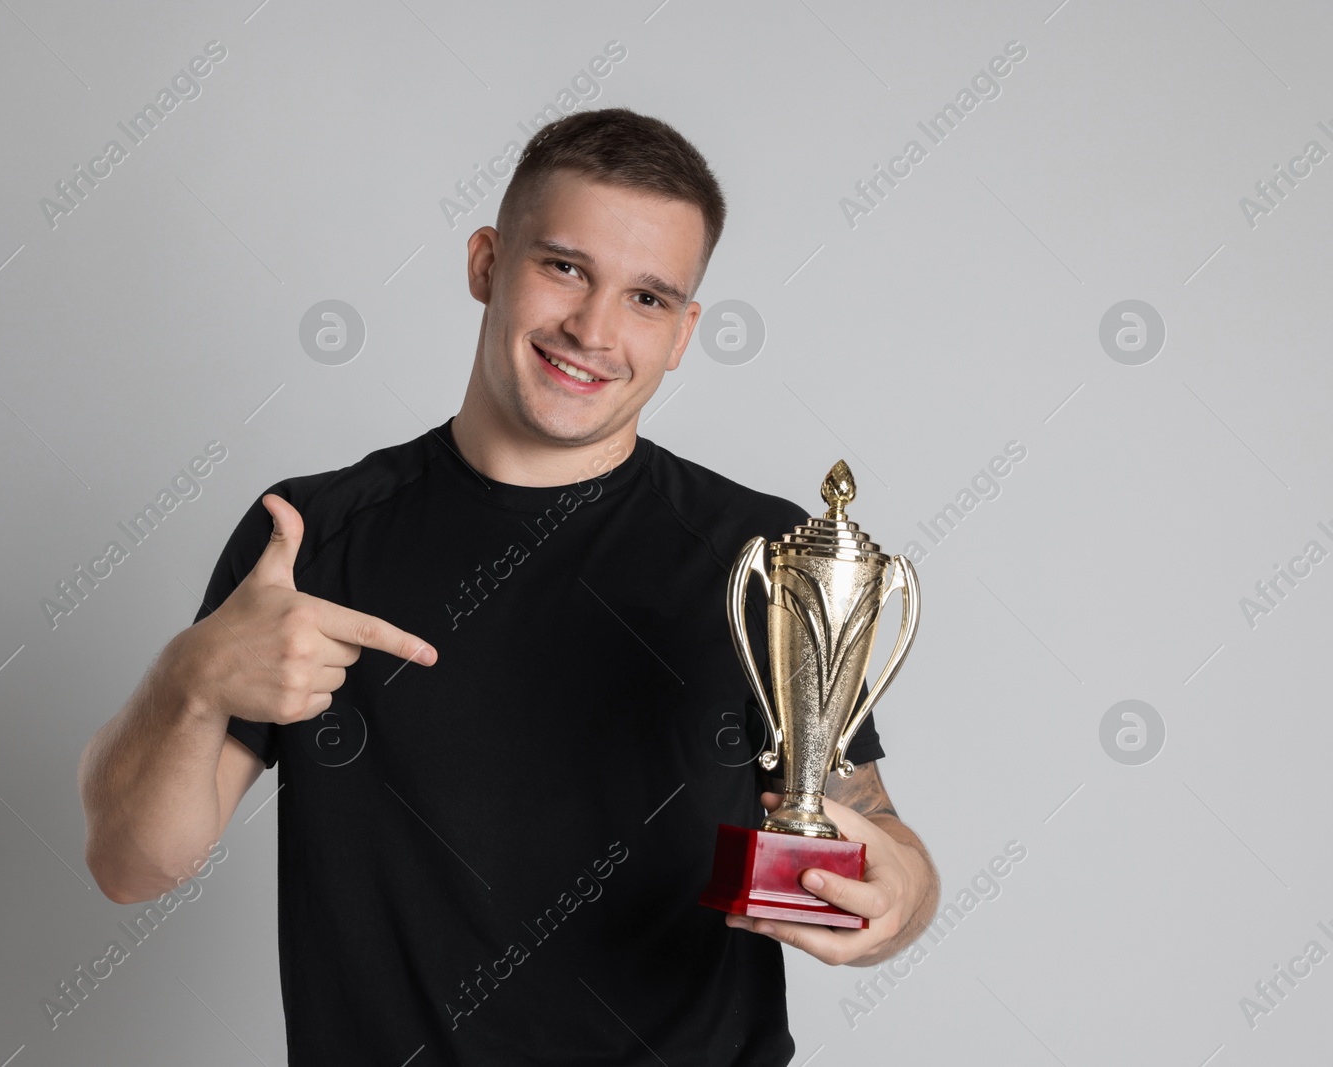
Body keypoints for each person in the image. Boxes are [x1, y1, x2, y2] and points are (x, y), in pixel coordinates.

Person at [78, 107, 938, 1065]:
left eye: (648, 298)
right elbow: (129, 865)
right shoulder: (307, 540)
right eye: (564, 267)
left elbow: (860, 814)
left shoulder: (760, 556)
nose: (594, 329)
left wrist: (900, 889)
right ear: (488, 262)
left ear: (685, 331)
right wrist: (188, 681)